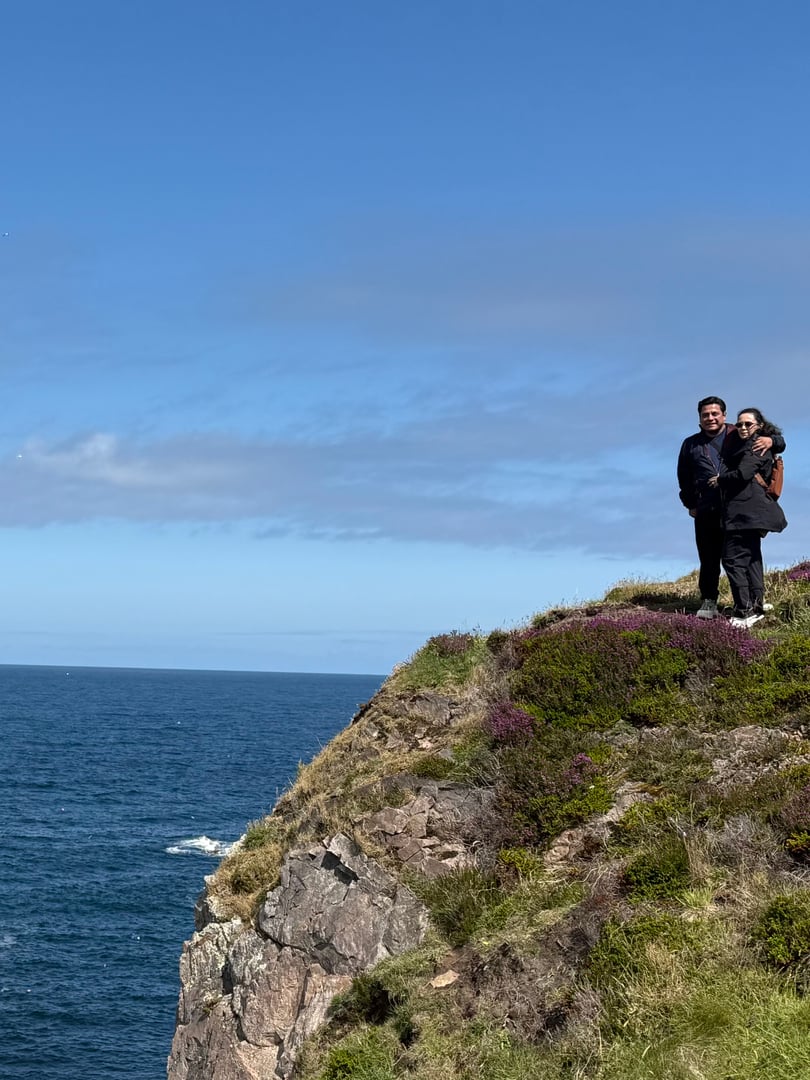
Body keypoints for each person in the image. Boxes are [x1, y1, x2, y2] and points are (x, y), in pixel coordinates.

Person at [677, 396, 785, 619]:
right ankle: (709, 601)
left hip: (738, 506)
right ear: (699, 418)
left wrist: (773, 441)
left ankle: (756, 602)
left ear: (724, 415)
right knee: (708, 556)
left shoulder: (739, 431)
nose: (710, 418)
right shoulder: (690, 444)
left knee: (749, 555)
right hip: (706, 508)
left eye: (715, 413)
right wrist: (690, 504)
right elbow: (683, 477)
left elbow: (778, 440)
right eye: (705, 414)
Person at [708, 408, 787, 628]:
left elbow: (743, 473)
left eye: (748, 424)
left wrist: (720, 479)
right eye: (740, 424)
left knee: (732, 559)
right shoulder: (755, 442)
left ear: (759, 426)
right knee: (752, 557)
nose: (743, 427)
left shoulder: (757, 446)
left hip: (745, 512)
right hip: (753, 512)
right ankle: (757, 606)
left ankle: (744, 611)